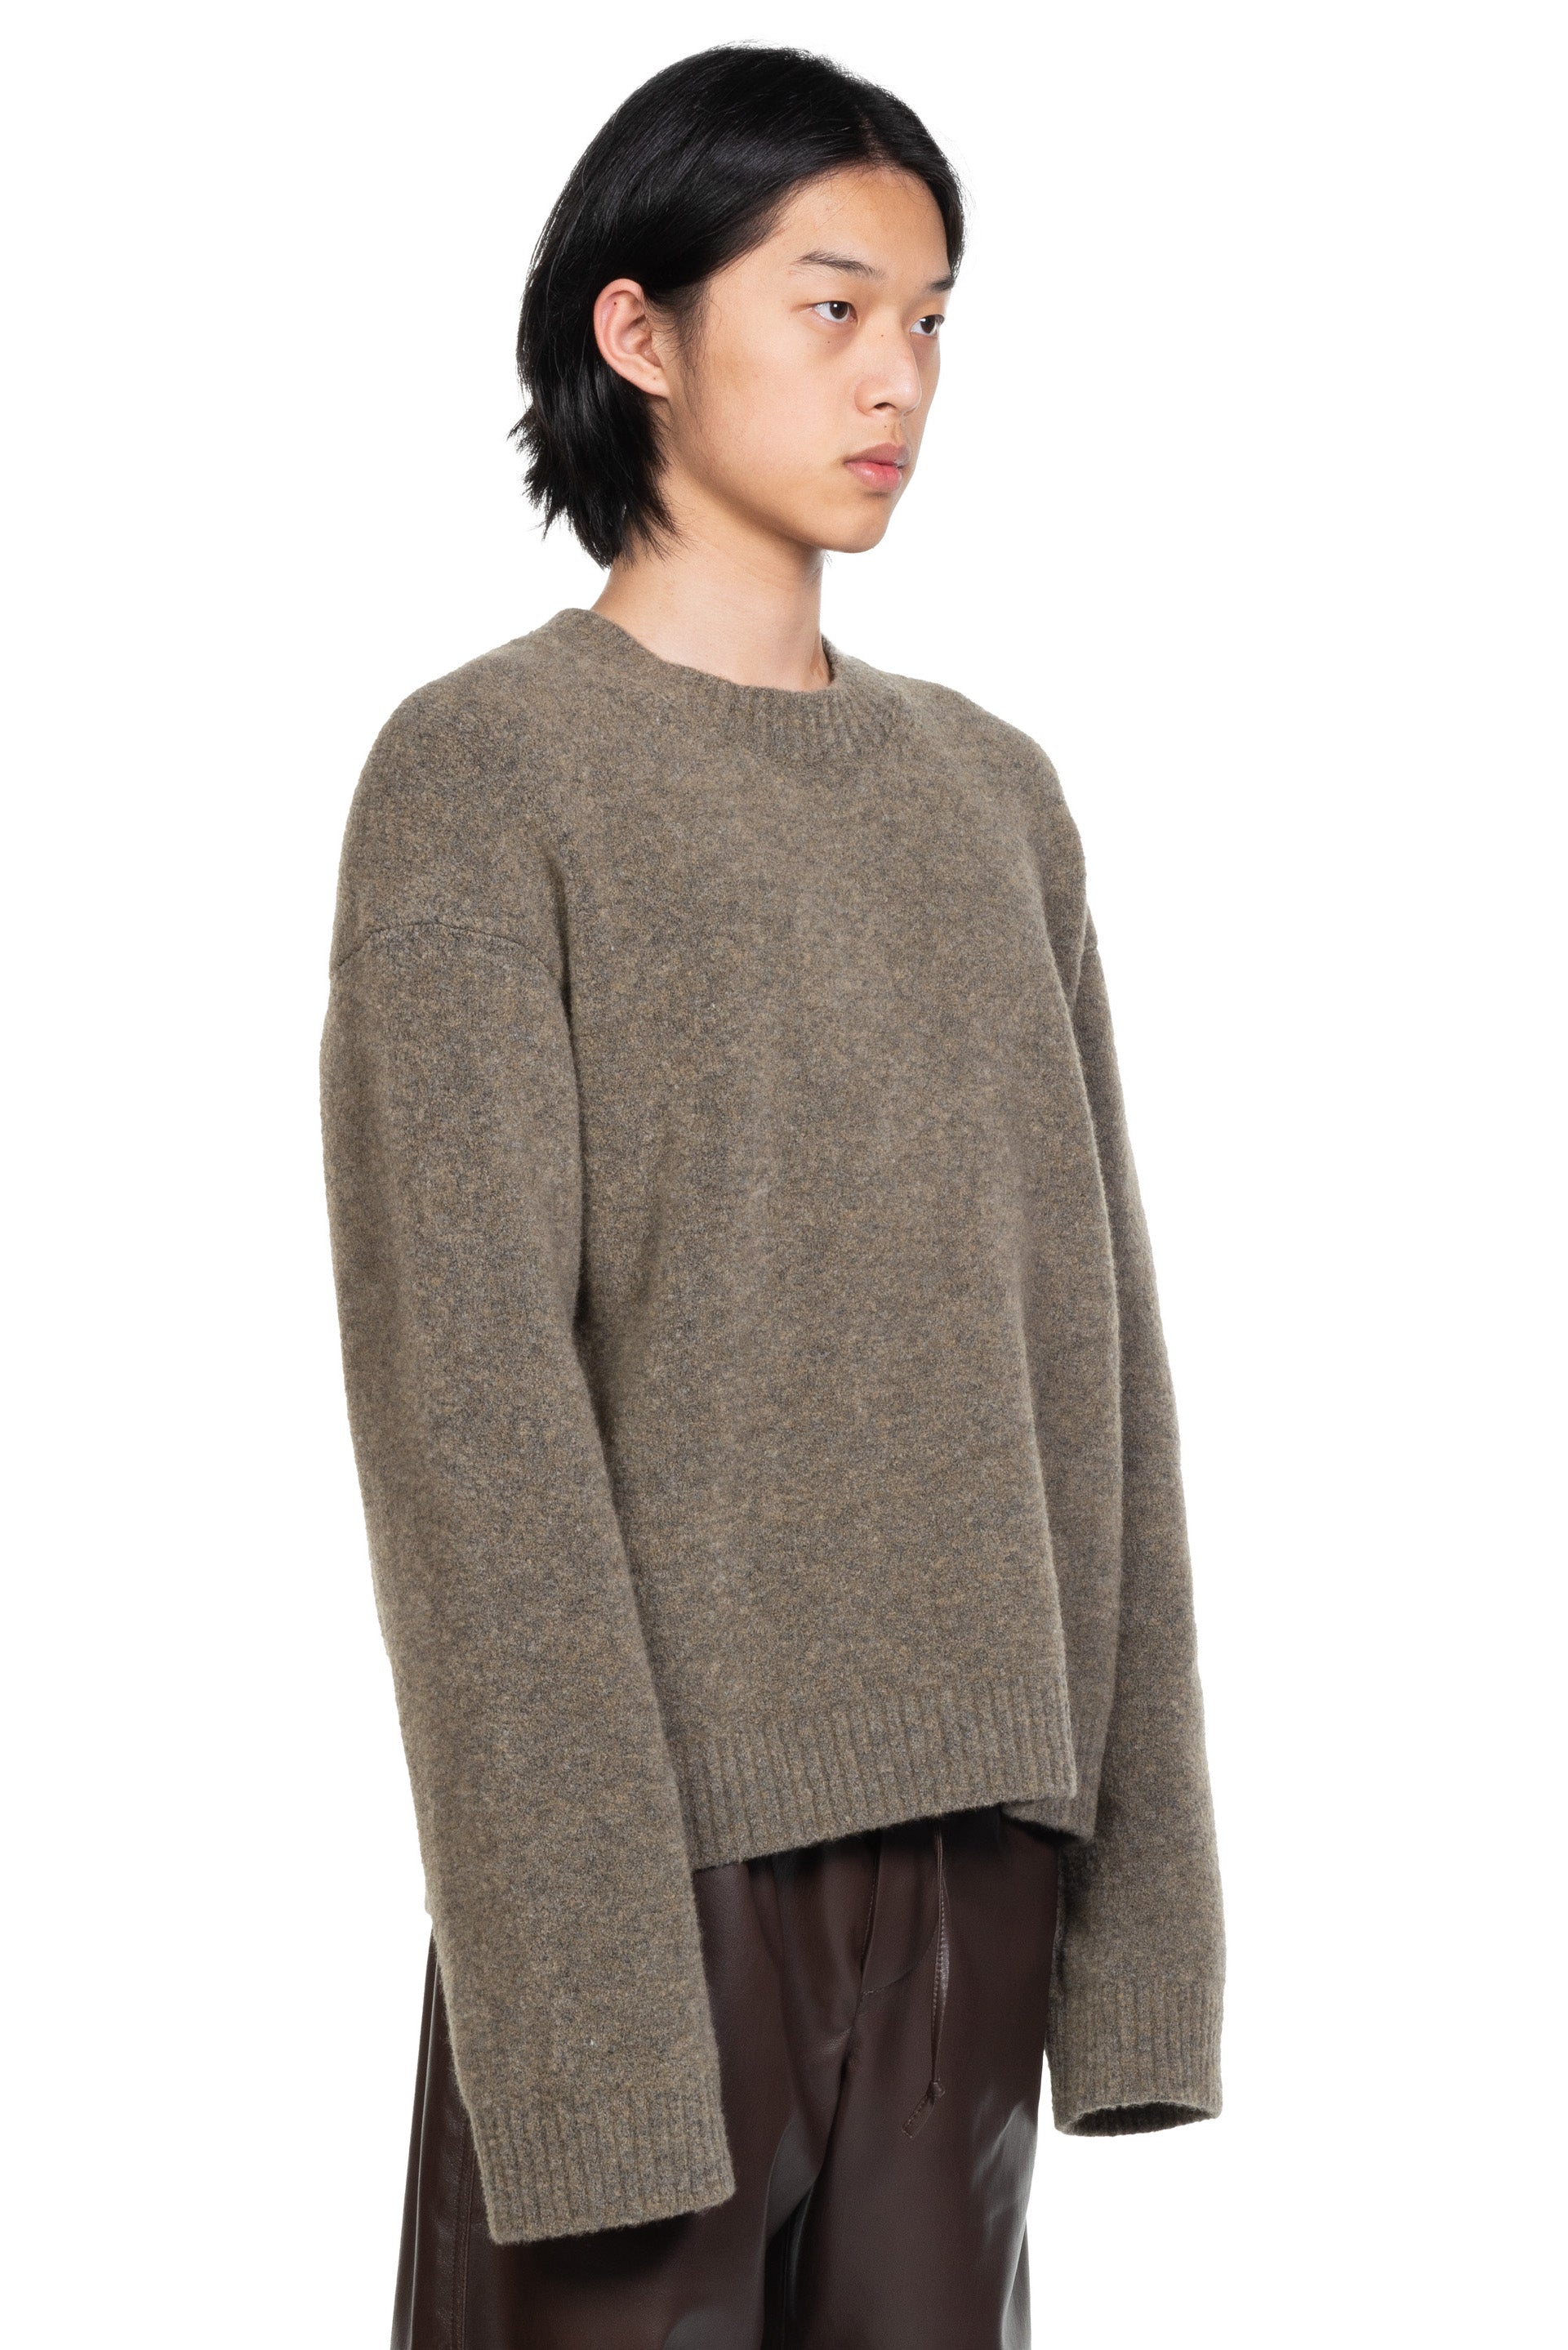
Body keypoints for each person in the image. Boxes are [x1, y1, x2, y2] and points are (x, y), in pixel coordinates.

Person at [319, 42, 1225, 2350]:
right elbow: (469, 1416)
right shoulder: (486, 776)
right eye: (832, 308)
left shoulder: (994, 798)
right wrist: (585, 1997)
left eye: (930, 320)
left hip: (982, 1878)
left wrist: (1140, 1944)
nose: (897, 377)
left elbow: (1100, 1363)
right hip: (647, 1893)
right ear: (636, 329)